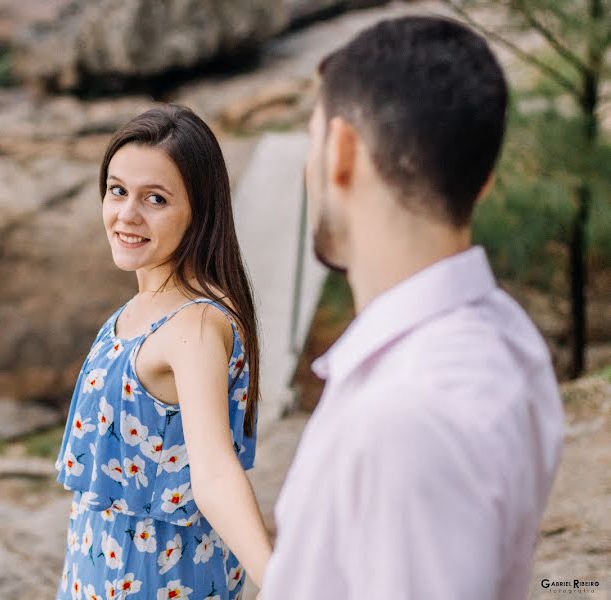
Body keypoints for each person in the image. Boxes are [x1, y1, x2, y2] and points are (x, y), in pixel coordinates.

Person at [261, 16, 565, 600]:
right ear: (483, 185)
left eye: (313, 138)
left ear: (342, 151)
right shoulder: (506, 336)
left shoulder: (407, 417)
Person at [54, 104, 272, 600]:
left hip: (157, 582)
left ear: (199, 209)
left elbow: (214, 473)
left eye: (155, 198)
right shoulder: (142, 307)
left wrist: (283, 579)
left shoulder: (193, 323)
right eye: (117, 191)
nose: (127, 215)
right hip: (102, 573)